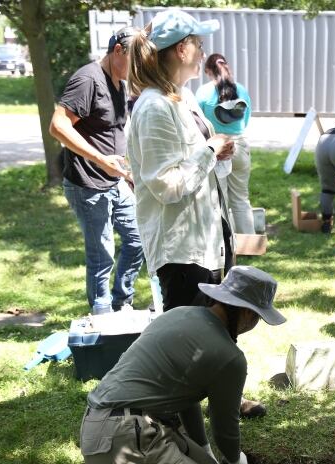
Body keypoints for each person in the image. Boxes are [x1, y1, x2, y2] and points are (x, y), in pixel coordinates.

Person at [76, 266, 285, 464]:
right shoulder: (229, 357)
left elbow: (186, 397)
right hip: (123, 442)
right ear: (246, 313)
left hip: (111, 427)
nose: (256, 323)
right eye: (258, 316)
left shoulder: (177, 315)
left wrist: (205, 450)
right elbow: (226, 428)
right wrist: (236, 462)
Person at [127, 9, 234, 311]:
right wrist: (210, 151)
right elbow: (167, 185)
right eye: (198, 44)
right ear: (181, 49)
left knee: (210, 340)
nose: (203, 52)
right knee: (188, 347)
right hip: (182, 255)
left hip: (207, 243)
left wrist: (220, 153)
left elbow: (206, 168)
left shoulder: (184, 98)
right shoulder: (154, 107)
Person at [49, 27, 144, 315]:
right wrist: (101, 160)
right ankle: (102, 313)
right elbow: (58, 126)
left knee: (137, 240)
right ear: (118, 51)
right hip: (87, 184)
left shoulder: (119, 81)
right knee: (102, 255)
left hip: (115, 181)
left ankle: (121, 301)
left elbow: (111, 133)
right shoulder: (88, 79)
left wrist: (127, 172)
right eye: (135, 60)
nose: (138, 68)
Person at [196, 53, 256, 234]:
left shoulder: (204, 92)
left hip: (217, 149)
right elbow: (245, 120)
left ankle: (225, 246)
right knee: (241, 199)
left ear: (208, 71)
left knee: (218, 200)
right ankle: (250, 244)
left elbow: (197, 122)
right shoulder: (241, 90)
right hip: (240, 146)